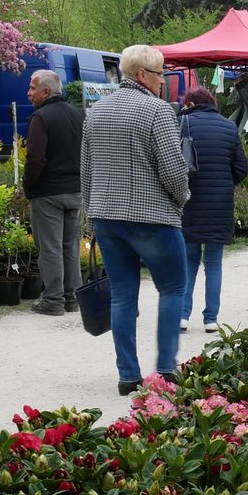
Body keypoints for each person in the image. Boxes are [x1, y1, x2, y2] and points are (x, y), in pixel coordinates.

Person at [81, 44, 190, 396]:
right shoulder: (158, 111)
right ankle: (166, 370)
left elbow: (87, 171)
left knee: (123, 295)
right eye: (160, 74)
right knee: (172, 287)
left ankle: (128, 375)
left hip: (106, 216)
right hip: (152, 216)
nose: (164, 81)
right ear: (142, 75)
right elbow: (173, 170)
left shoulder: (95, 111)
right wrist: (182, 199)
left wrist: (92, 211)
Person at [177, 87, 248, 334]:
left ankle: (182, 317)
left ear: (191, 103)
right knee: (214, 263)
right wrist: (224, 182)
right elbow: (241, 168)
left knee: (188, 260)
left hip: (188, 201)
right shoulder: (228, 127)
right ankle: (210, 318)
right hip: (219, 204)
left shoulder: (182, 123)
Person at [23, 69, 86, 316]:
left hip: (48, 193)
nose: (28, 93)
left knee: (50, 248)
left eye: (32, 87)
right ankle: (72, 298)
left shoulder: (41, 117)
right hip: (75, 191)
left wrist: (29, 187)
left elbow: (35, 159)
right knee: (70, 246)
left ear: (46, 91)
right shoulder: (78, 115)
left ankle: (52, 301)